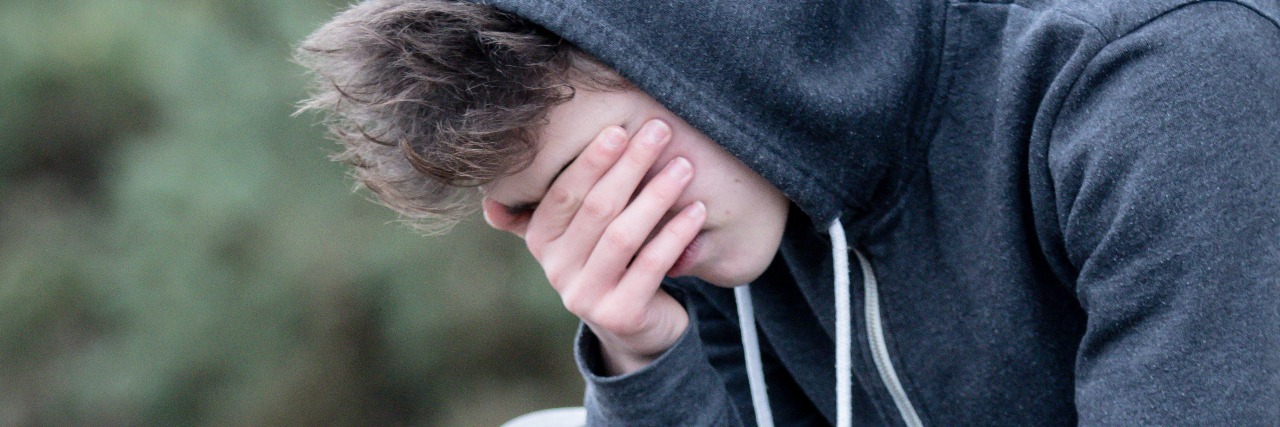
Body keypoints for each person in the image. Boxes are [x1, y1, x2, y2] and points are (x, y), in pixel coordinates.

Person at [296, 0, 1280, 425]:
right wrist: (640, 354)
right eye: (535, 212)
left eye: (572, 179)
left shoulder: (1160, 81)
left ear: (680, 46)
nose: (590, 230)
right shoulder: (735, 208)